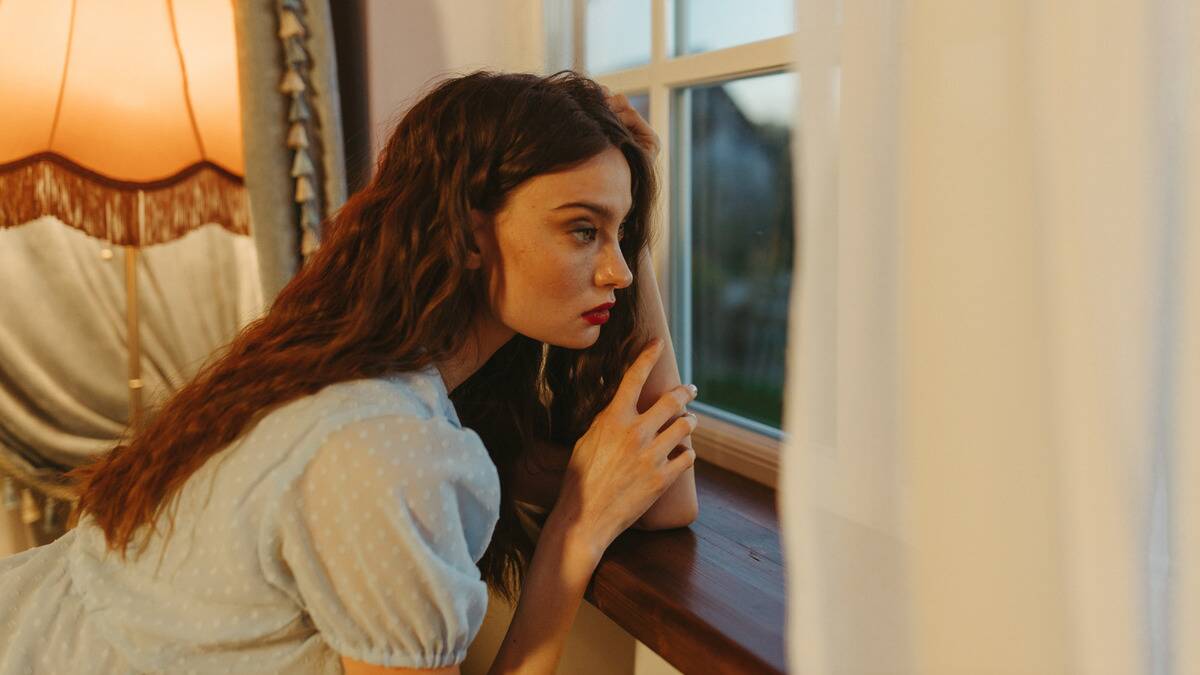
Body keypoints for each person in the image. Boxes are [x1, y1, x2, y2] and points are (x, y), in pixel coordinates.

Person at [0, 70, 698, 674]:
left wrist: (625, 169)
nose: (620, 270)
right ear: (473, 231)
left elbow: (666, 489)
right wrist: (574, 534)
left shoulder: (349, 363)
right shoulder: (386, 447)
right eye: (584, 230)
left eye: (622, 231)